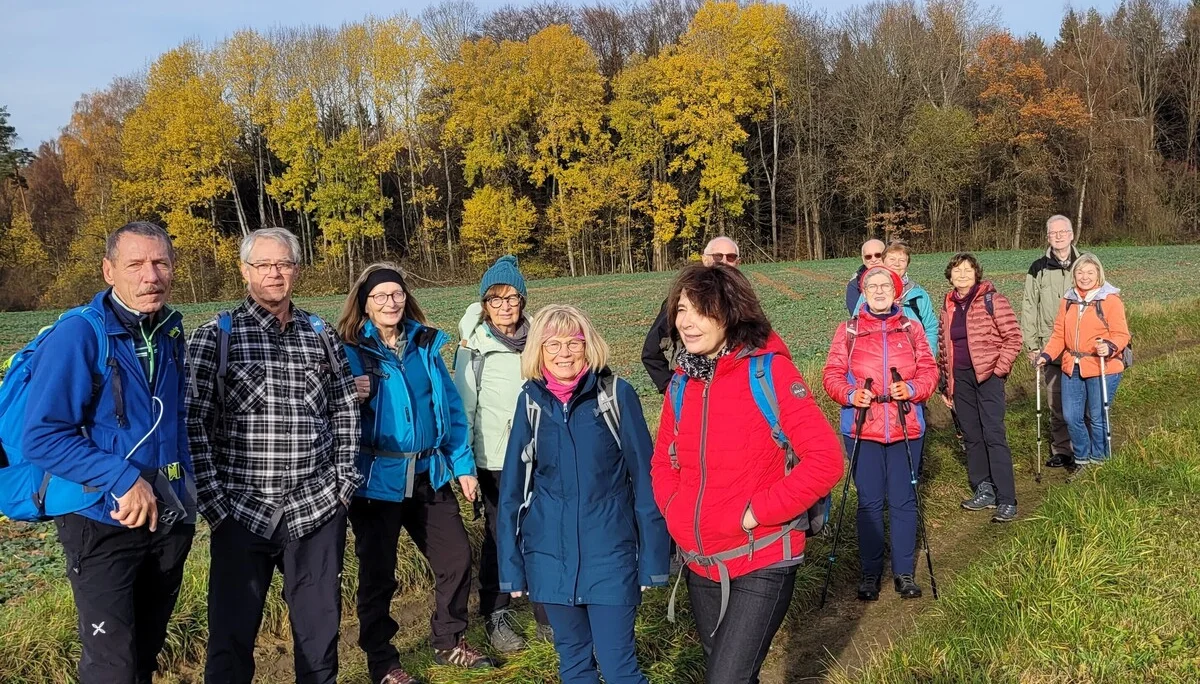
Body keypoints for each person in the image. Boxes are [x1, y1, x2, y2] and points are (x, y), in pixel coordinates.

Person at [21, 221, 196, 684]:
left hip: (165, 517)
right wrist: (121, 478)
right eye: (135, 264)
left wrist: (189, 492)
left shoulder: (169, 332)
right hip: (100, 520)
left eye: (160, 263)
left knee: (145, 654)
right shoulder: (78, 335)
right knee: (110, 666)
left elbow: (176, 420)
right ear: (108, 271)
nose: (150, 276)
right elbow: (41, 436)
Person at [186, 227, 361, 684]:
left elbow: (344, 409)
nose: (274, 273)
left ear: (297, 270)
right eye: (263, 265)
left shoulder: (320, 334)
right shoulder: (216, 336)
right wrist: (215, 505)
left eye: (283, 263)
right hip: (241, 511)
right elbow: (193, 424)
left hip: (316, 509)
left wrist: (343, 485)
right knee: (231, 638)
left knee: (319, 637)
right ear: (245, 271)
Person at [652, 265, 842, 684]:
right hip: (701, 561)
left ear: (731, 312)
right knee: (730, 674)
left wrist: (755, 514)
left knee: (727, 678)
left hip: (763, 555)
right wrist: (674, 508)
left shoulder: (769, 372)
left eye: (702, 309)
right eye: (681, 309)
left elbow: (825, 459)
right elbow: (663, 461)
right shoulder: (682, 382)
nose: (687, 321)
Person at [498, 304, 670, 684]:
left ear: (588, 345)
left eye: (573, 343)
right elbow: (513, 490)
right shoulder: (530, 403)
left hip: (611, 558)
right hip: (549, 560)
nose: (564, 353)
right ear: (539, 350)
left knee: (619, 668)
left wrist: (654, 559)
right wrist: (510, 568)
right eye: (553, 344)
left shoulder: (616, 396)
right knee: (574, 667)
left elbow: (647, 481)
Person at [337, 263, 492, 683]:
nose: (390, 302)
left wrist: (462, 466)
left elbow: (451, 410)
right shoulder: (349, 351)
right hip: (375, 480)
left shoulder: (425, 345)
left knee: (456, 558)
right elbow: (327, 408)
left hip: (429, 472)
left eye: (397, 294)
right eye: (380, 296)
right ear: (365, 304)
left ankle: (449, 639)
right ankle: (383, 663)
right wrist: (348, 392)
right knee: (379, 576)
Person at [452, 255, 553, 652]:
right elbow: (463, 410)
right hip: (495, 461)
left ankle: (548, 614)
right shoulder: (474, 348)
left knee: (544, 533)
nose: (505, 306)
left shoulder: (541, 340)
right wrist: (465, 465)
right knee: (500, 536)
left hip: (541, 455)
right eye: (496, 299)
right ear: (485, 304)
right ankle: (496, 615)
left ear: (523, 300)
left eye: (512, 298)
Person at [823, 266, 939, 601]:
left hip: (906, 427)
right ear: (863, 292)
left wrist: (913, 389)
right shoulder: (848, 330)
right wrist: (850, 395)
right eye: (871, 285)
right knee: (869, 503)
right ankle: (870, 574)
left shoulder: (912, 328)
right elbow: (832, 374)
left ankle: (904, 573)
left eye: (885, 285)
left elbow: (930, 371)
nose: (878, 290)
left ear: (895, 290)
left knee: (904, 500)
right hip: (862, 428)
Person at [937, 253, 1023, 522]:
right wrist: (946, 384)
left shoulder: (992, 300)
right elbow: (944, 347)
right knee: (971, 436)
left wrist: (999, 370)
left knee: (993, 434)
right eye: (957, 270)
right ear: (950, 276)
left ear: (977, 274)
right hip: (960, 379)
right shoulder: (948, 306)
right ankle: (984, 489)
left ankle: (1006, 498)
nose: (962, 275)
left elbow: (1014, 338)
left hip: (988, 377)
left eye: (967, 270)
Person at [1036, 253, 1129, 476]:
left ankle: (1099, 462)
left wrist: (1110, 346)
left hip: (1102, 367)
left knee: (1097, 417)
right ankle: (1082, 460)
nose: (1084, 277)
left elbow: (1121, 334)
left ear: (1098, 274)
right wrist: (1046, 355)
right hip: (1072, 366)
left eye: (1090, 272)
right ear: (1074, 274)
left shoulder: (1110, 300)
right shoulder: (1068, 300)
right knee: (1071, 416)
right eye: (1080, 272)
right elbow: (1059, 335)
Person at [642, 236, 741, 394]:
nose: (723, 261)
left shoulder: (744, 302)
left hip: (738, 389)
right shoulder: (682, 301)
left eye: (730, 257)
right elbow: (651, 352)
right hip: (694, 390)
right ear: (705, 260)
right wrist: (672, 389)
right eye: (717, 256)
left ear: (738, 263)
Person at [1022, 215, 1081, 468]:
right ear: (1047, 237)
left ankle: (1084, 450)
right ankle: (1062, 449)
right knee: (1055, 401)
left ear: (1071, 235)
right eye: (1053, 233)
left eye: (1062, 232)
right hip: (1050, 346)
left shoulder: (1085, 263)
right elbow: (1029, 306)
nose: (1058, 236)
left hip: (1081, 347)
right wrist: (1032, 345)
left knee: (1081, 403)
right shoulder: (1038, 268)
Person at [846, 238, 886, 314]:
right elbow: (856, 315)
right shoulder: (855, 284)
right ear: (863, 260)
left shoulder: (899, 278)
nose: (873, 260)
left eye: (878, 255)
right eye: (868, 256)